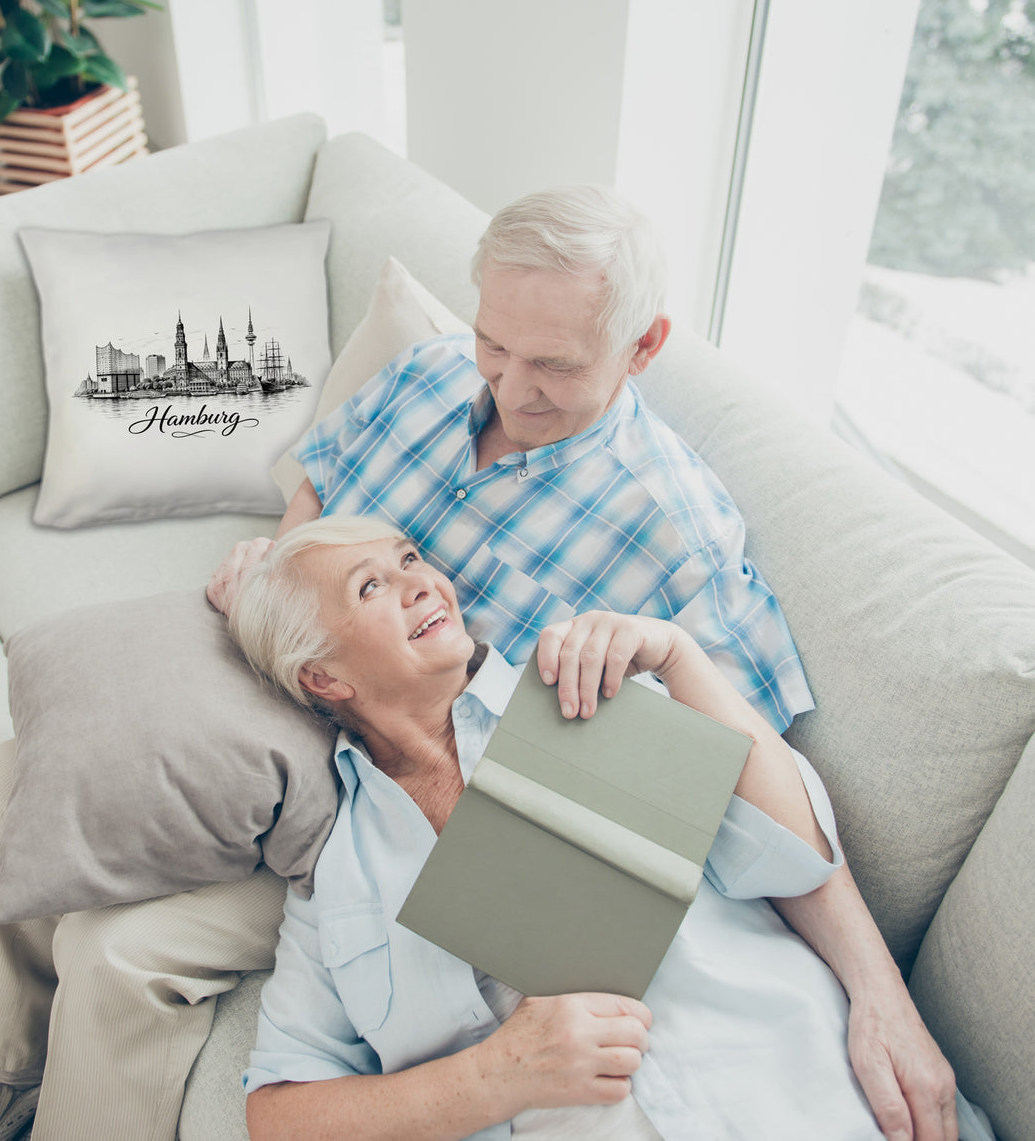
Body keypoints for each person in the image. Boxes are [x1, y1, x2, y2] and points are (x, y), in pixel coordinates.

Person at [209, 186, 957, 1140]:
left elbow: (765, 812)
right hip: (313, 763)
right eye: (495, 345)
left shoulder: (653, 584)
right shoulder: (429, 377)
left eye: (553, 365)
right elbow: (321, 480)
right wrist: (282, 588)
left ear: (643, 347)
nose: (510, 390)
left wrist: (879, 994)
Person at [228, 516, 983, 1141]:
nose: (422, 581)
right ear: (323, 677)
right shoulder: (337, 878)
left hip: (805, 1094)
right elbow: (279, 1114)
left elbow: (794, 856)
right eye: (372, 586)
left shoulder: (583, 689)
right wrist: (494, 1077)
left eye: (410, 559)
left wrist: (679, 658)